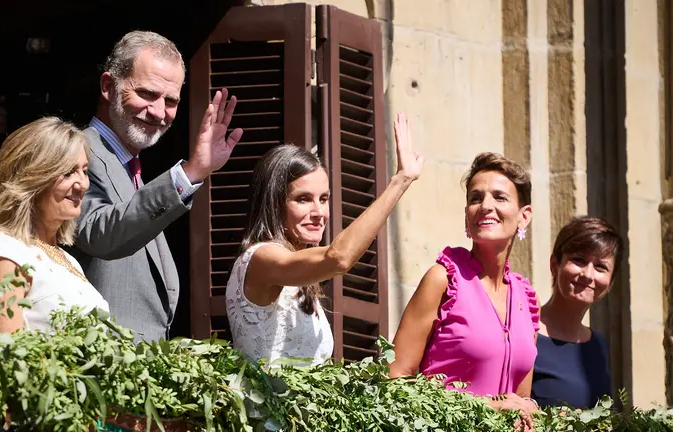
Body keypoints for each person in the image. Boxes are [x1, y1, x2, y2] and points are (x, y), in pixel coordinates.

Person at [70, 31, 242, 341]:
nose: (159, 112)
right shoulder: (75, 152)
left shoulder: (130, 169)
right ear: (109, 86)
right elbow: (99, 233)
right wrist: (191, 172)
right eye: (148, 94)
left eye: (171, 101)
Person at [226, 113, 423, 366]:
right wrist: (399, 181)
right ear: (275, 203)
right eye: (303, 199)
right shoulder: (260, 259)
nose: (319, 212)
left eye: (324, 199)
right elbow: (339, 258)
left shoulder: (300, 275)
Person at [389, 152, 539, 428]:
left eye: (499, 197)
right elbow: (395, 380)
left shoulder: (525, 299)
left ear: (524, 216)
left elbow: (520, 398)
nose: (485, 206)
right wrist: (485, 407)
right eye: (475, 198)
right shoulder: (443, 279)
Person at [0, 117, 109, 333]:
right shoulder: (7, 251)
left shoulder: (69, 261)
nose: (83, 184)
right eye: (68, 172)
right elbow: (4, 353)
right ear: (33, 179)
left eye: (84, 171)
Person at [531, 216, 621, 408]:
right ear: (555, 265)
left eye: (601, 267)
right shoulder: (525, 333)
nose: (588, 275)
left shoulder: (598, 345)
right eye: (579, 260)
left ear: (611, 282)